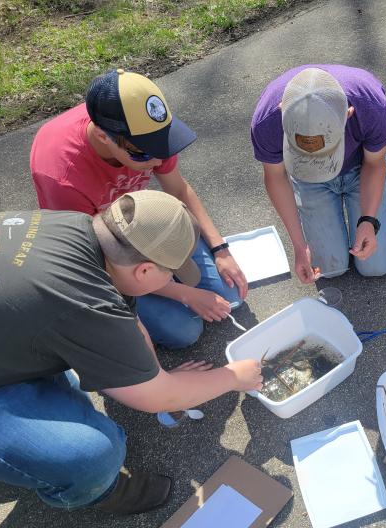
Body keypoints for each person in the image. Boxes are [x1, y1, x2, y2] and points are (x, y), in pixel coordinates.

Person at [0, 191, 263, 514]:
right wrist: (231, 377)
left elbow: (129, 323)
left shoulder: (81, 231)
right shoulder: (84, 300)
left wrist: (156, 373)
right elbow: (158, 399)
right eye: (171, 272)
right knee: (95, 454)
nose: (174, 279)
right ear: (144, 271)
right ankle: (95, 492)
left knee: (69, 384)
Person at [30, 68, 246, 349]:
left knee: (230, 295)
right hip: (105, 250)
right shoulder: (62, 177)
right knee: (184, 331)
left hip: (141, 221)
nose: (158, 160)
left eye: (163, 146)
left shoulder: (144, 129)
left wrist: (220, 249)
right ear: (103, 136)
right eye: (143, 152)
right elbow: (94, 261)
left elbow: (178, 189)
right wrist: (184, 294)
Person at [251, 65, 386, 282]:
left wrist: (368, 221)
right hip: (308, 177)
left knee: (375, 266)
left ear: (348, 114)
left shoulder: (371, 106)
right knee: (330, 268)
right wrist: (299, 246)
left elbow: (373, 164)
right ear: (282, 112)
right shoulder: (266, 121)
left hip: (362, 165)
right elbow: (275, 176)